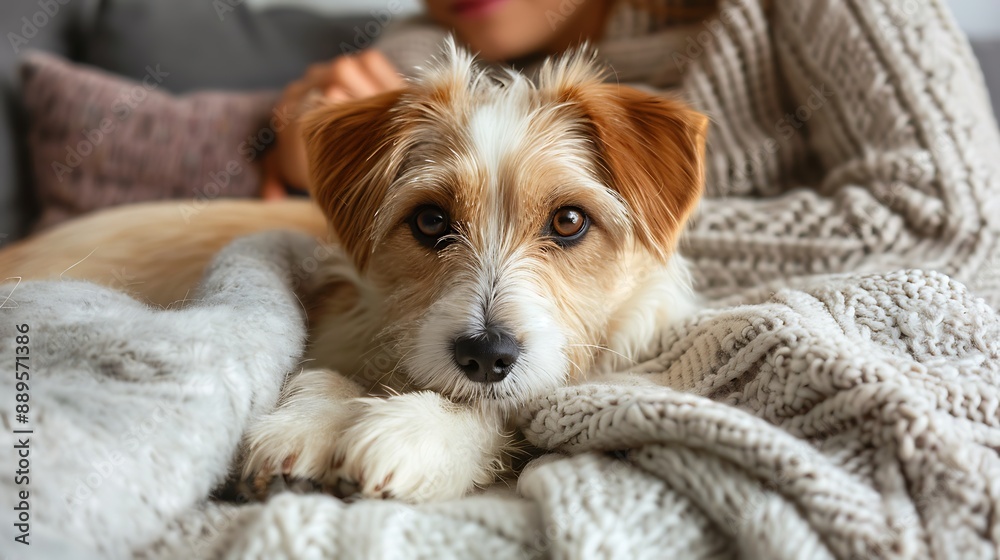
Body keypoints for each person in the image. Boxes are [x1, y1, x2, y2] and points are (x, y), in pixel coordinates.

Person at [261, 0, 1000, 309]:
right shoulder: (454, 43)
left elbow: (953, 224)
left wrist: (599, 243)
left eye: (564, 225)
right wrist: (302, 144)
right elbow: (369, 103)